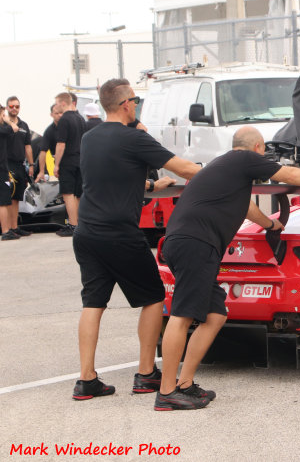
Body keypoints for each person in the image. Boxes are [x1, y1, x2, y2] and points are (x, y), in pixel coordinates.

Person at [157, 126, 300, 411]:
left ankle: (184, 384)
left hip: (188, 242)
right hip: (195, 243)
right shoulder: (244, 159)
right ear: (258, 147)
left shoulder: (224, 168)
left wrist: (270, 224)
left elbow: (246, 207)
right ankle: (167, 391)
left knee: (215, 314)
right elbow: (291, 175)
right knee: (182, 315)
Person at [71, 78, 201, 402]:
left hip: (86, 231)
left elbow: (110, 179)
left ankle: (86, 379)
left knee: (93, 302)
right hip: (119, 233)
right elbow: (183, 167)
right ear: (127, 103)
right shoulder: (134, 139)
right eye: (136, 100)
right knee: (154, 296)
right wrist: (222, 174)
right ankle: (146, 373)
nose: (137, 105)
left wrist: (149, 187)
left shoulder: (90, 138)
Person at [53, 92, 86, 237]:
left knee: (68, 193)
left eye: (57, 103)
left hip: (68, 160)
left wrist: (56, 164)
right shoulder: (80, 118)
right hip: (80, 159)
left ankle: (73, 224)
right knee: (78, 194)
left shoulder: (64, 120)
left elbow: (61, 144)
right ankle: (80, 223)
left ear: (63, 103)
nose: (56, 106)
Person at [3, 96, 34, 238]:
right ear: (7, 108)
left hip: (20, 164)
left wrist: (31, 164)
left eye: (17, 106)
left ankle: (15, 227)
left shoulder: (24, 125)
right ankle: (7, 228)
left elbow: (28, 146)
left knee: (16, 198)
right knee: (7, 198)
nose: (14, 109)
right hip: (7, 164)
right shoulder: (4, 125)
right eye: (11, 106)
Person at [1, 104, 21, 240]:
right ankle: (5, 230)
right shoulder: (2, 129)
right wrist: (7, 119)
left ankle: (8, 228)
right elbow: (15, 127)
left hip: (3, 167)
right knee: (3, 201)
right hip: (1, 168)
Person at [34, 104, 63, 182]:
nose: (60, 115)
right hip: (60, 164)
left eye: (61, 113)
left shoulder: (70, 126)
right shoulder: (49, 131)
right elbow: (43, 151)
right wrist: (42, 171)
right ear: (51, 115)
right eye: (57, 113)